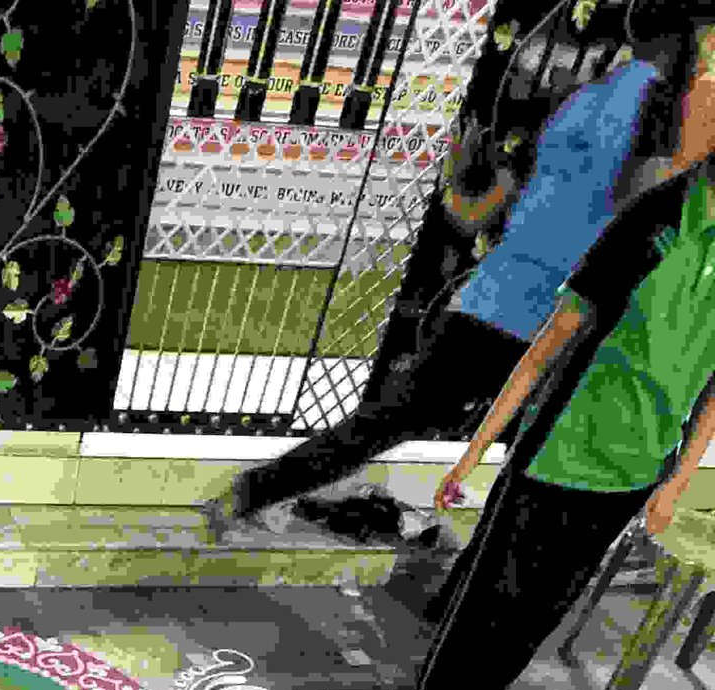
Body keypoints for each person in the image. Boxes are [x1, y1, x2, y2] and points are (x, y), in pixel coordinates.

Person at [198, 8, 706, 540]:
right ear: (688, 41)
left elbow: (474, 213)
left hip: (492, 294)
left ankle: (251, 493)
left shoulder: (578, 101)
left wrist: (463, 173)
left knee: (390, 420)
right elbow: (636, 220)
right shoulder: (664, 114)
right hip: (556, 317)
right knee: (543, 457)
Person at [403, 132, 715, 690]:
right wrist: (475, 451)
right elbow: (551, 341)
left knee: (546, 605)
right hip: (561, 442)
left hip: (636, 465)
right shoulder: (654, 219)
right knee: (496, 591)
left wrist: (676, 481)